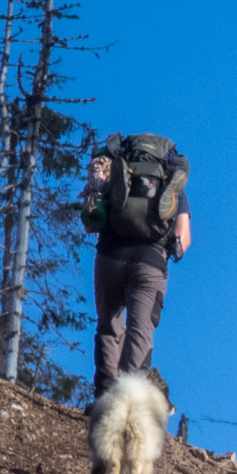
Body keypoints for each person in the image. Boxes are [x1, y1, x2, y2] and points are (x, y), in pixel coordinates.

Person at [86, 138, 191, 398]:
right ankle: (127, 400)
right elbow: (183, 238)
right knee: (139, 332)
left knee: (109, 327)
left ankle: (104, 399)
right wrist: (167, 253)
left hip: (110, 255)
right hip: (150, 262)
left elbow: (90, 224)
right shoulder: (171, 182)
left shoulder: (116, 170)